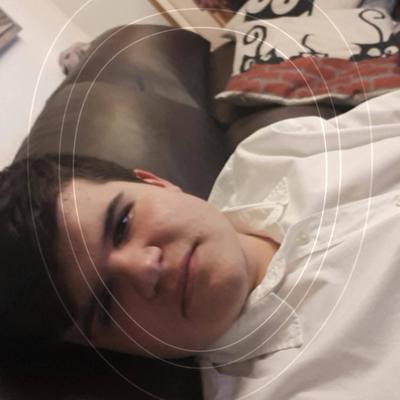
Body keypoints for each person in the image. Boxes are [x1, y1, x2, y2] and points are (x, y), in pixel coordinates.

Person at [1, 88, 400, 399]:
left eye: (122, 224)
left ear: (155, 183)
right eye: (106, 303)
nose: (145, 268)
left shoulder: (268, 153)